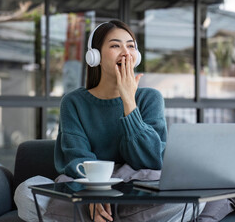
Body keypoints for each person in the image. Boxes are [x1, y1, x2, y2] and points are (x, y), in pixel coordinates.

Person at [53, 20, 205, 222]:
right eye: (115, 45)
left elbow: (152, 159)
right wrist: (94, 192)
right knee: (27, 192)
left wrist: (129, 103)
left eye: (131, 46)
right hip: (93, 187)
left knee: (192, 196)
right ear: (94, 56)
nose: (126, 52)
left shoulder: (150, 97)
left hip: (139, 190)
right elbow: (77, 158)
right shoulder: (73, 102)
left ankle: (109, 215)